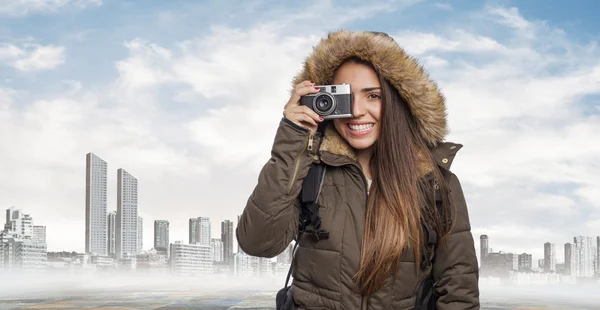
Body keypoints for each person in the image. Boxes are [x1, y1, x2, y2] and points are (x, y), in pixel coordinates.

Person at [236, 30, 479, 310]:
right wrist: (293, 140)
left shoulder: (435, 182)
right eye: (344, 97)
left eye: (373, 95)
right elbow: (257, 243)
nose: (356, 111)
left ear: (400, 101)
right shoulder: (310, 170)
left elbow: (459, 292)